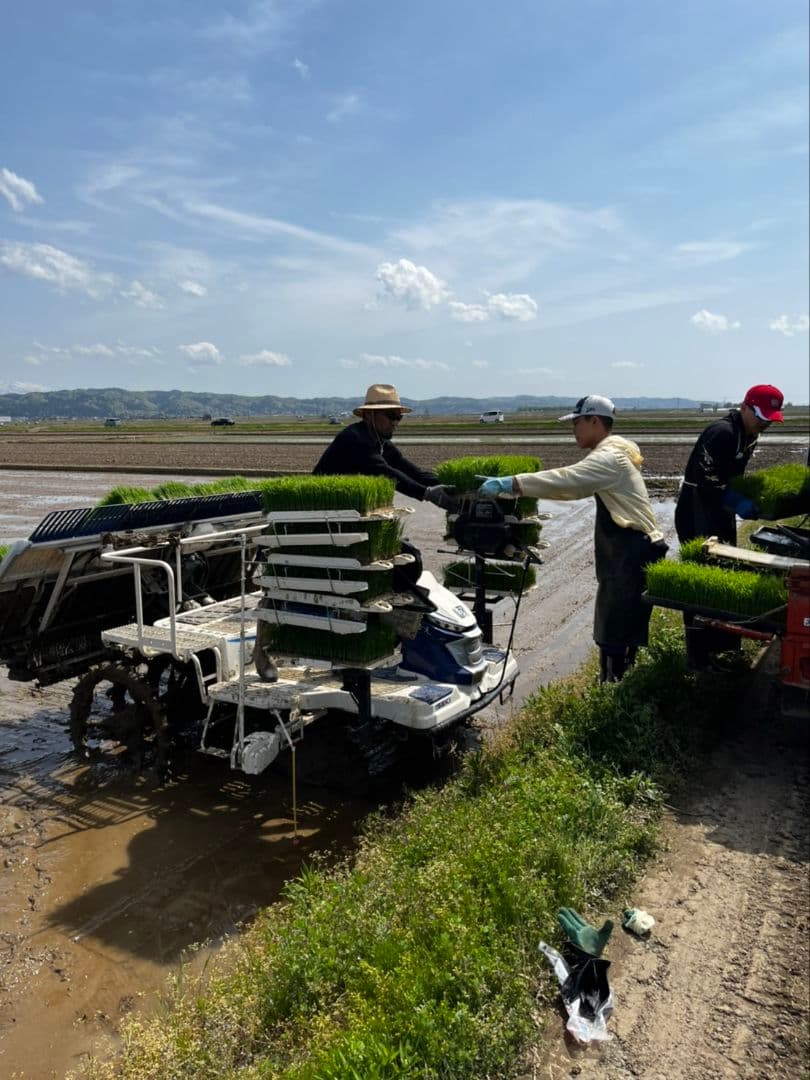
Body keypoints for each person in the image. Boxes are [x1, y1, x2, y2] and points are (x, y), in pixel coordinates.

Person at [478, 394, 668, 682]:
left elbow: (569, 480)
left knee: (615, 627)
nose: (574, 430)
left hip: (631, 551)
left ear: (594, 421)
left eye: (577, 422)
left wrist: (513, 484)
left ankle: (613, 691)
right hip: (633, 549)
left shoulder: (610, 458)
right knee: (621, 623)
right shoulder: (616, 452)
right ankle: (623, 685)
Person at [674, 383, 784, 668]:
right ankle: (699, 658)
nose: (764, 424)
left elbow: (733, 477)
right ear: (745, 407)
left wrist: (749, 497)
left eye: (769, 420)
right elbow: (706, 477)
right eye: (760, 416)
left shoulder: (749, 436)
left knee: (725, 572)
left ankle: (725, 648)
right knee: (701, 581)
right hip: (696, 508)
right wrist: (736, 500)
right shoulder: (722, 433)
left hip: (718, 510)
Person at [313, 383, 457, 510]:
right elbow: (385, 472)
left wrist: (454, 484)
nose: (395, 422)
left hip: (347, 504)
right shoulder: (355, 439)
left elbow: (410, 470)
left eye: (398, 416)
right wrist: (427, 493)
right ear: (369, 415)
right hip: (325, 504)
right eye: (390, 416)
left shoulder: (380, 441)